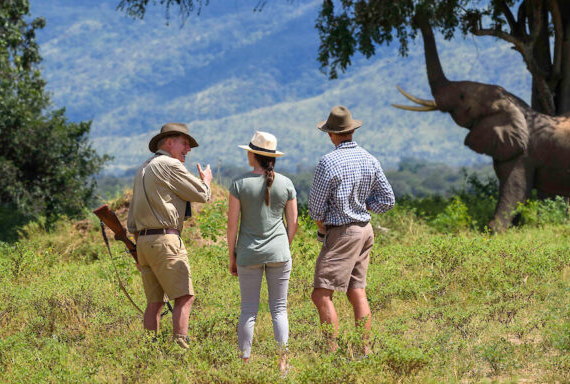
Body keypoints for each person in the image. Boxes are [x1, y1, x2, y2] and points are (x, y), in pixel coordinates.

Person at [308, 106, 395, 354]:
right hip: (365, 229)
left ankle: (331, 352)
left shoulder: (328, 162)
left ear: (331, 134)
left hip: (343, 232)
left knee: (321, 294)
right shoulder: (370, 158)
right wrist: (366, 205)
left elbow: (315, 208)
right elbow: (388, 199)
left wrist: (321, 225)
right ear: (351, 131)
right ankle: (364, 349)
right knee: (357, 291)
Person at [127, 122, 212, 349]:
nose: (188, 149)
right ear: (169, 142)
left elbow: (132, 220)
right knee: (185, 296)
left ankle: (149, 350)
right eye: (185, 143)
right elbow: (201, 194)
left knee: (154, 303)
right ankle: (180, 349)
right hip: (166, 240)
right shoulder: (170, 164)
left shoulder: (143, 168)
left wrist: (137, 247)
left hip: (143, 243)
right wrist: (206, 181)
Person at [227, 131, 299, 373]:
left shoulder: (239, 184)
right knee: (279, 308)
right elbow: (294, 223)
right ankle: (283, 363)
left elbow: (232, 226)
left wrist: (232, 256)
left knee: (248, 310)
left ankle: (244, 363)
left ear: (252, 156)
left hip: (248, 253)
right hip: (279, 252)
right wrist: (283, 246)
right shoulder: (287, 183)